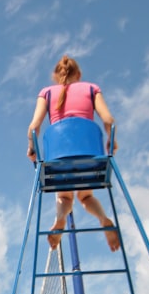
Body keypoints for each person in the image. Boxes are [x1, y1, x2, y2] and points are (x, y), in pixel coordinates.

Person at [26, 55, 120, 252]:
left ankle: (60, 218)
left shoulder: (46, 92)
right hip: (90, 153)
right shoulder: (91, 88)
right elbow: (108, 120)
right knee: (85, 197)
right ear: (78, 74)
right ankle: (103, 218)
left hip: (58, 154)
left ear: (55, 76)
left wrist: (31, 148)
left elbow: (34, 127)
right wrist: (112, 141)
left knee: (65, 197)